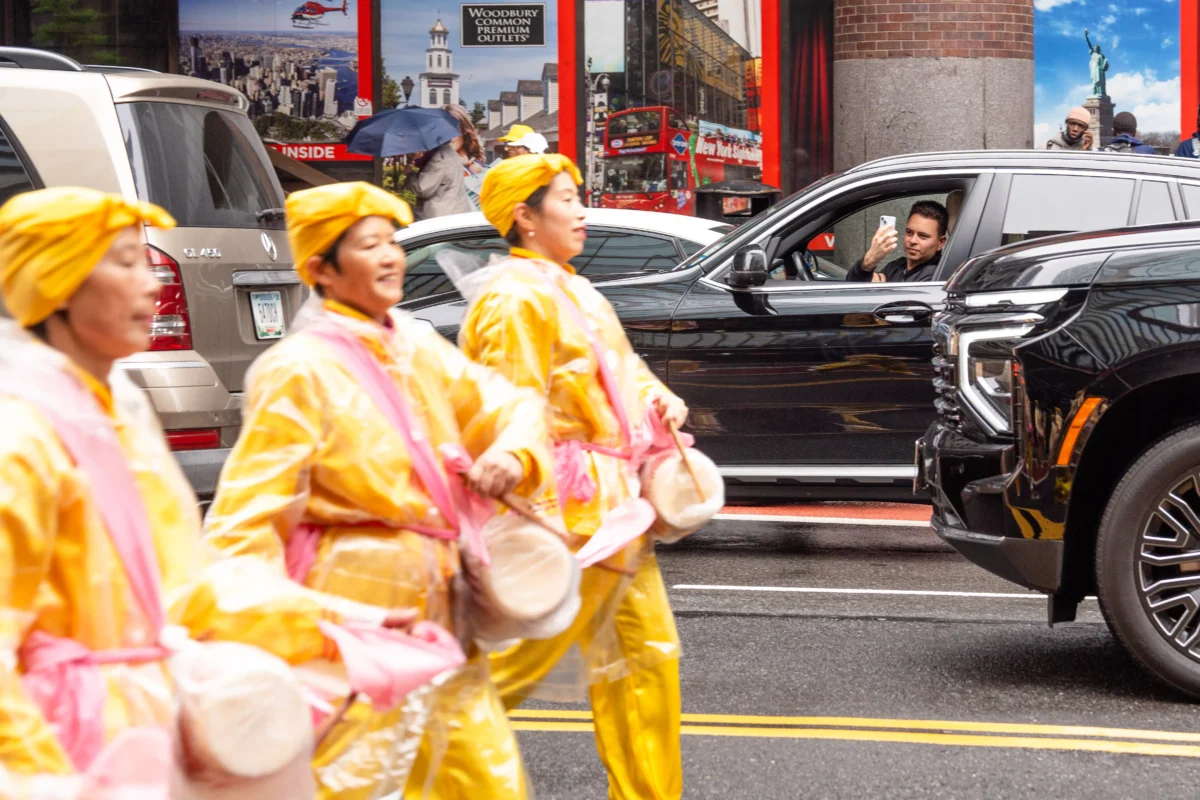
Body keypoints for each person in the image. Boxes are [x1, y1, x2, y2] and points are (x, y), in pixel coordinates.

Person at [0, 187, 369, 796]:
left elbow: (185, 591)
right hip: (66, 750)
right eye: (124, 263)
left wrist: (338, 622)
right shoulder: (23, 437)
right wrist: (44, 781)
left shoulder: (114, 413)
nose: (151, 284)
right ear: (56, 281)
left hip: (134, 737)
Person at [204, 181, 552, 800]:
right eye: (370, 245)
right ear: (322, 272)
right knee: (352, 784)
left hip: (442, 610)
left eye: (393, 241)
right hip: (356, 615)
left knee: (491, 784)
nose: (392, 256)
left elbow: (509, 406)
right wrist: (266, 637)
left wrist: (509, 452)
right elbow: (245, 523)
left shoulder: (414, 344)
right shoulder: (296, 370)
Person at [455, 154, 688, 800]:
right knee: (504, 668)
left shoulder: (572, 289)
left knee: (645, 659)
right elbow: (510, 403)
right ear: (525, 217)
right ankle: (412, 757)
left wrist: (659, 399)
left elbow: (624, 372)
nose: (582, 210)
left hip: (612, 510)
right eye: (565, 199)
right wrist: (518, 466)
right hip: (562, 512)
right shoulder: (512, 299)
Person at [847, 200, 948, 284]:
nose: (913, 241)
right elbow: (853, 289)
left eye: (923, 236)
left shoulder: (937, 275)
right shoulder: (896, 267)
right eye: (909, 232)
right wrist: (869, 261)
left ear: (941, 242)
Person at [411, 116, 474, 221]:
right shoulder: (450, 153)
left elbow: (423, 189)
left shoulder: (440, 158)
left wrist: (410, 175)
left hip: (441, 218)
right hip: (452, 213)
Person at [445, 102, 488, 210]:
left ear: (464, 130)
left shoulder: (474, 167)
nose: (448, 136)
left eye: (453, 129)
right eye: (444, 130)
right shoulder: (443, 162)